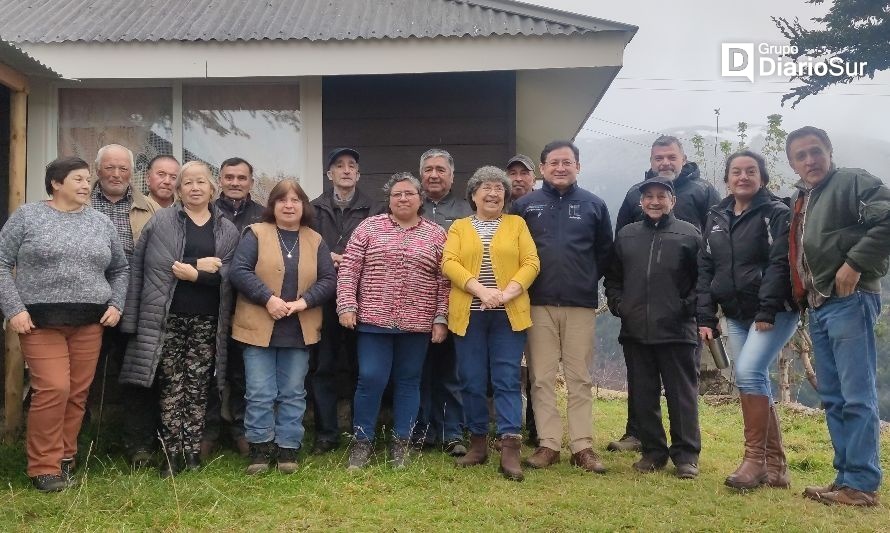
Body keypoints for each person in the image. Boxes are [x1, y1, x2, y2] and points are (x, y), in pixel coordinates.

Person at [0, 156, 128, 492]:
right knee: (54, 388)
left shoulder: (101, 222)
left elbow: (121, 269)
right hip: (40, 322)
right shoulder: (28, 217)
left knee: (77, 394)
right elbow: (1, 263)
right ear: (56, 183)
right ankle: (42, 466)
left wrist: (116, 303)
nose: (87, 185)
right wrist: (14, 308)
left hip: (89, 322)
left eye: (88, 179)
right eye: (79, 179)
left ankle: (64, 459)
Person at [786, 127, 890, 507]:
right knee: (833, 395)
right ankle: (846, 477)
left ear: (830, 151)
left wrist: (855, 264)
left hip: (850, 297)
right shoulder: (803, 196)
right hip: (820, 303)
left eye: (816, 151)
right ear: (792, 162)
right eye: (801, 155)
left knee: (856, 394)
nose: (810, 160)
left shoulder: (852, 181)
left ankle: (862, 483)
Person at [119, 161, 239, 477]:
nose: (195, 188)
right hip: (168, 317)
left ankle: (192, 452)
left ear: (212, 188)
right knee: (173, 385)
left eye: (201, 182)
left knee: (199, 387)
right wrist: (197, 264)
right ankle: (172, 454)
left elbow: (231, 272)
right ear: (179, 189)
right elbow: (157, 265)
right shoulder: (162, 222)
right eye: (188, 183)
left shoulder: (226, 228)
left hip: (208, 320)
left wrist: (195, 275)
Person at [610, 135, 720, 453]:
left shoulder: (702, 193)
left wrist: (694, 307)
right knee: (642, 386)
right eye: (659, 158)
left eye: (671, 157)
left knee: (680, 388)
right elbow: (619, 257)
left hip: (679, 315)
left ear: (683, 159)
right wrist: (622, 304)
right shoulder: (634, 195)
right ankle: (642, 439)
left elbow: (710, 255)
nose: (665, 163)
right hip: (638, 312)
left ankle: (686, 453)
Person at [697, 151, 799, 490]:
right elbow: (706, 267)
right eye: (736, 171)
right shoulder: (716, 216)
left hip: (774, 311)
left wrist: (768, 309)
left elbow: (779, 264)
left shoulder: (776, 213)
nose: (743, 177)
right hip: (736, 314)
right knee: (752, 379)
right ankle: (776, 467)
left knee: (749, 372)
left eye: (750, 171)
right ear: (727, 179)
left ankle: (754, 461)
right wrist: (706, 315)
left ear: (763, 178)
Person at [512, 140, 613, 473]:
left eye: (567, 162)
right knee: (541, 377)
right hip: (536, 303)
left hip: (579, 303)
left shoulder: (594, 205)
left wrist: (584, 279)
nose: (560, 167)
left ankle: (583, 446)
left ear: (578, 167)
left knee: (579, 377)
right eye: (553, 162)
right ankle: (548, 444)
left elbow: (604, 253)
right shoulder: (525, 206)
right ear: (542, 168)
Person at [337, 173, 449, 470]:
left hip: (417, 324)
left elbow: (445, 280)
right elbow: (349, 268)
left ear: (420, 199)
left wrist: (441, 318)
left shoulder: (437, 234)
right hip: (373, 320)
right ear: (389, 199)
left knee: (409, 382)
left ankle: (402, 443)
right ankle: (362, 441)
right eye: (397, 194)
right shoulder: (369, 227)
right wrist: (347, 305)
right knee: (371, 378)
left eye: (409, 193)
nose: (403, 198)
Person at [230, 179, 336, 475]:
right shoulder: (255, 233)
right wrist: (268, 299)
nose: (289, 206)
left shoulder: (315, 239)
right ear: (272, 206)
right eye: (282, 200)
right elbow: (239, 271)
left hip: (299, 328)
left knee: (292, 392)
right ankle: (260, 449)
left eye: (295, 200)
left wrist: (304, 302)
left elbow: (329, 280)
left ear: (304, 206)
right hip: (259, 327)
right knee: (260, 391)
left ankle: (288, 447)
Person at [442, 166, 539, 481]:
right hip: (469, 313)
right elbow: (449, 263)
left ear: (506, 195)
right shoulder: (459, 226)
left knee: (506, 379)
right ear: (473, 195)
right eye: (486, 187)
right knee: (471, 379)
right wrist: (482, 291)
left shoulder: (517, 224)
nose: (493, 193)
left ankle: (510, 447)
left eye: (499, 188)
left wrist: (506, 293)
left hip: (507, 315)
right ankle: (478, 443)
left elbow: (531, 263)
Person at [605, 177, 702, 479]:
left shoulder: (689, 234)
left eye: (662, 196)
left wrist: (687, 308)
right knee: (643, 394)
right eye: (649, 197)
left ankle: (686, 456)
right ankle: (653, 452)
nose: (655, 201)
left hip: (677, 330)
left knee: (681, 395)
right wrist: (619, 305)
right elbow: (613, 277)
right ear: (641, 202)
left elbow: (703, 280)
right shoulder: (627, 235)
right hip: (636, 330)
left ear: (673, 201)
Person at [88, 143, 160, 468]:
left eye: (123, 168)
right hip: (87, 303)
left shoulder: (152, 209)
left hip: (135, 305)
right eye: (110, 168)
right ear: (97, 170)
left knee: (136, 376)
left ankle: (140, 446)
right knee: (81, 378)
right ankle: (76, 447)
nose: (117, 174)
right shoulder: (79, 204)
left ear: (133, 173)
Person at [308, 147, 374, 454]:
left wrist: (352, 260)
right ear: (329, 174)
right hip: (323, 298)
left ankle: (363, 433)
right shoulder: (313, 210)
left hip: (365, 300)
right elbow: (304, 248)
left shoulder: (374, 210)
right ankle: (326, 434)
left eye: (352, 166)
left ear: (358, 175)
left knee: (364, 367)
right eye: (339, 166)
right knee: (323, 367)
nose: (346, 170)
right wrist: (327, 258)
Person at [202, 157, 265, 458]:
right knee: (210, 371)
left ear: (251, 182)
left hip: (250, 305)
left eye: (242, 177)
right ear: (220, 180)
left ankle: (241, 429)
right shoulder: (207, 213)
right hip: (211, 302)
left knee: (243, 372)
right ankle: (208, 430)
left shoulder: (264, 216)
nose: (236, 183)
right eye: (229, 177)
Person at [415, 148, 472, 456]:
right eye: (428, 169)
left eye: (440, 169)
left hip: (456, 301)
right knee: (420, 370)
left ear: (452, 175)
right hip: (417, 304)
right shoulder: (409, 205)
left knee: (451, 370)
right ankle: (423, 430)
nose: (434, 175)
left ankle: (453, 432)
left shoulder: (466, 211)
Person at [505, 153, 538, 446]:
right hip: (501, 300)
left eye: (523, 173)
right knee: (509, 367)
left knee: (538, 367)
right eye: (512, 173)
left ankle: (537, 428)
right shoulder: (496, 210)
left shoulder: (540, 206)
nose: (517, 178)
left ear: (534, 177)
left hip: (538, 296)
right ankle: (506, 425)